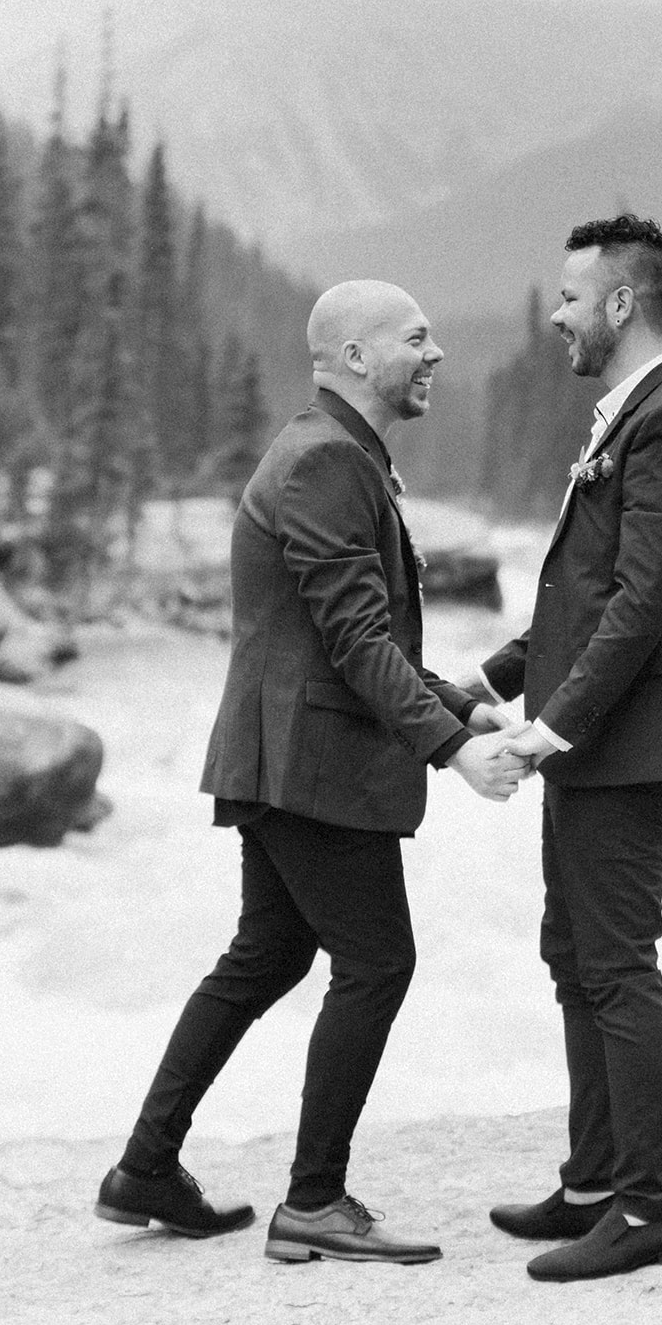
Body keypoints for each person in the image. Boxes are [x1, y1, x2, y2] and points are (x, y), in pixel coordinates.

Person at [95, 279, 527, 1266]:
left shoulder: (333, 452)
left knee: (268, 953)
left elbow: (344, 635)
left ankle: (145, 1167)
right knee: (377, 961)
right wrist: (455, 749)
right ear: (359, 357)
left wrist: (458, 703)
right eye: (417, 339)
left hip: (284, 753)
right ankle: (314, 1200)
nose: (435, 355)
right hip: (310, 761)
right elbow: (354, 636)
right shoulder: (329, 460)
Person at [477, 214, 662, 1282]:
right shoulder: (631, 414)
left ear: (621, 304)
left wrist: (551, 725)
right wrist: (496, 678)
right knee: (571, 954)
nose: (557, 314)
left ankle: (648, 1205)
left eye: (572, 297)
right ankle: (591, 1180)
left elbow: (641, 603)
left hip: (627, 747)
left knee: (617, 965)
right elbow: (586, 595)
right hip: (599, 743)